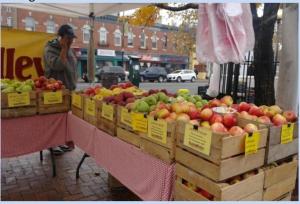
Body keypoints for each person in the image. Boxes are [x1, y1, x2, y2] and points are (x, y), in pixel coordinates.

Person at [44, 24, 77, 155]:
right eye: (68, 38)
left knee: (63, 118)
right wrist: (63, 49)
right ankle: (52, 144)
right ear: (61, 37)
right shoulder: (49, 49)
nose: (71, 41)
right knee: (53, 119)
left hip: (68, 89)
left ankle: (62, 141)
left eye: (72, 38)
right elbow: (58, 65)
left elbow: (72, 67)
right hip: (55, 91)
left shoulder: (70, 49)